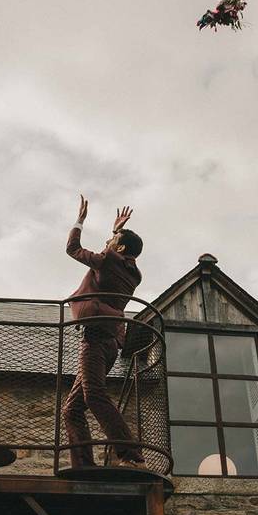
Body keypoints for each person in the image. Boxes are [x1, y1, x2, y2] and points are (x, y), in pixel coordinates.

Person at [62, 194, 147, 469]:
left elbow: (73, 249)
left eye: (111, 242)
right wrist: (116, 232)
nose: (106, 244)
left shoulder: (108, 259)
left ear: (119, 247)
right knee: (72, 409)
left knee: (94, 395)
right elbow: (116, 255)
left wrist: (80, 221)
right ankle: (84, 465)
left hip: (95, 337)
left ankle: (131, 454)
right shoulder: (134, 274)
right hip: (111, 340)